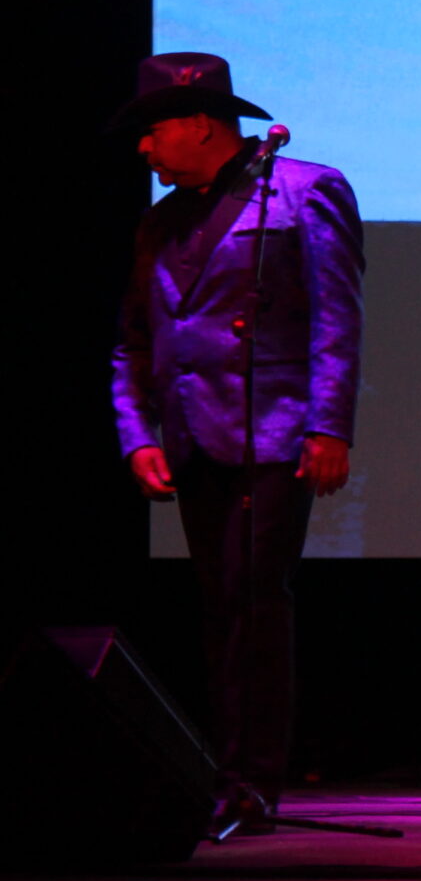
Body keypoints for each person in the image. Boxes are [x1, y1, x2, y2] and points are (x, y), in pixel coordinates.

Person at [109, 52, 362, 837]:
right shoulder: (159, 221)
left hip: (275, 431)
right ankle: (224, 771)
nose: (143, 150)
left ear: (200, 123)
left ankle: (252, 782)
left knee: (255, 601)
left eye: (153, 132)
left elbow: (335, 315)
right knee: (220, 607)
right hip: (191, 435)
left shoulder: (303, 191)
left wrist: (329, 425)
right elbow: (133, 343)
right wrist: (134, 435)